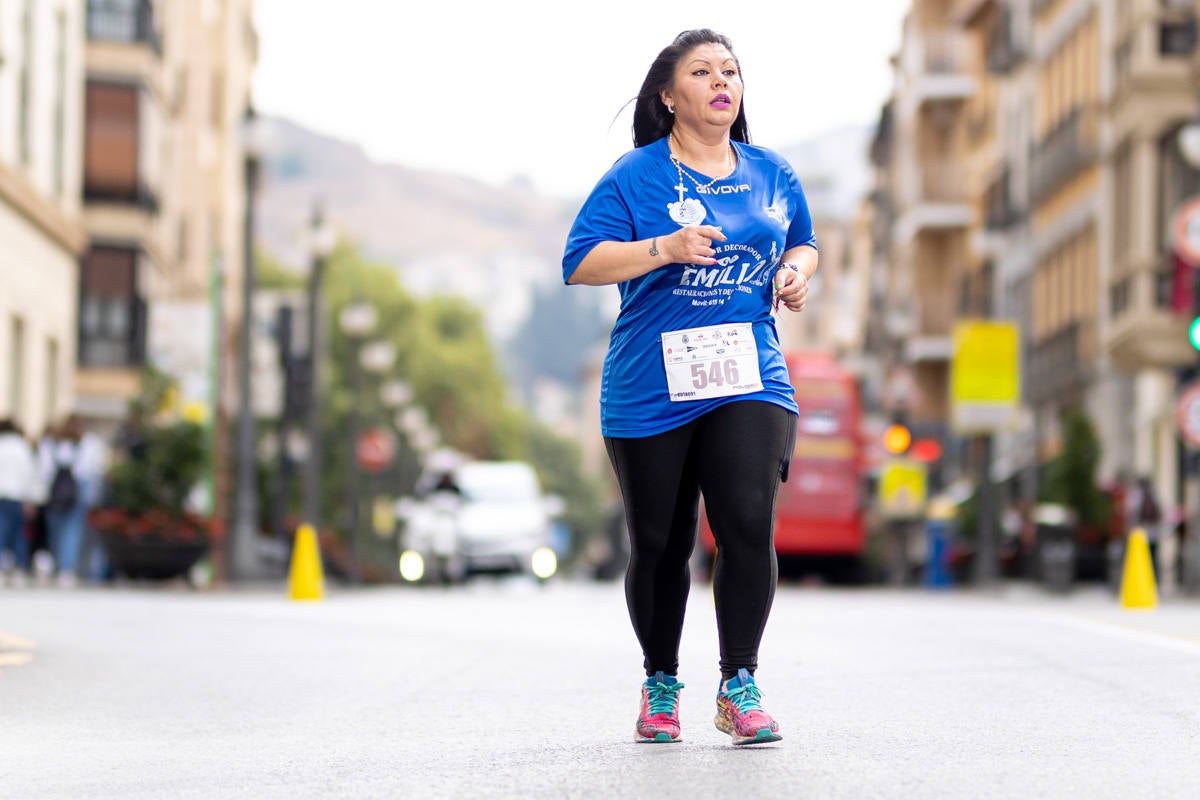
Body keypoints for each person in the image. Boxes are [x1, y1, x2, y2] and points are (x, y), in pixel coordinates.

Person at [562, 29, 817, 746]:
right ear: (669, 97)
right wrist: (664, 250)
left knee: (745, 523)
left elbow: (802, 238)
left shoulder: (772, 172)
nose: (720, 82)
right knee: (660, 542)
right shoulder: (636, 176)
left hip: (748, 373)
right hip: (652, 380)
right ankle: (661, 682)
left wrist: (798, 271)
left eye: (730, 71)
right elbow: (581, 262)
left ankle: (740, 683)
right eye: (701, 72)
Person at [38, 416, 106, 587]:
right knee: (72, 532)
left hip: (54, 492)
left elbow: (44, 470)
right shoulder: (88, 443)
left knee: (56, 531)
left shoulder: (51, 443)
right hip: (77, 491)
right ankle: (66, 569)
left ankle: (59, 565)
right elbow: (93, 470)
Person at [0, 418, 43, 586]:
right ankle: (19, 567)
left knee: (1, 531)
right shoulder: (23, 448)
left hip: (2, 494)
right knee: (19, 533)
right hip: (17, 496)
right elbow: (31, 475)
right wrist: (33, 498)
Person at [1125, 475, 1162, 580]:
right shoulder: (1151, 497)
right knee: (1151, 558)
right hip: (1151, 533)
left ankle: (1149, 578)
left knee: (1147, 559)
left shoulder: (1138, 498)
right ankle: (1151, 579)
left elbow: (1133, 516)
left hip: (1144, 533)